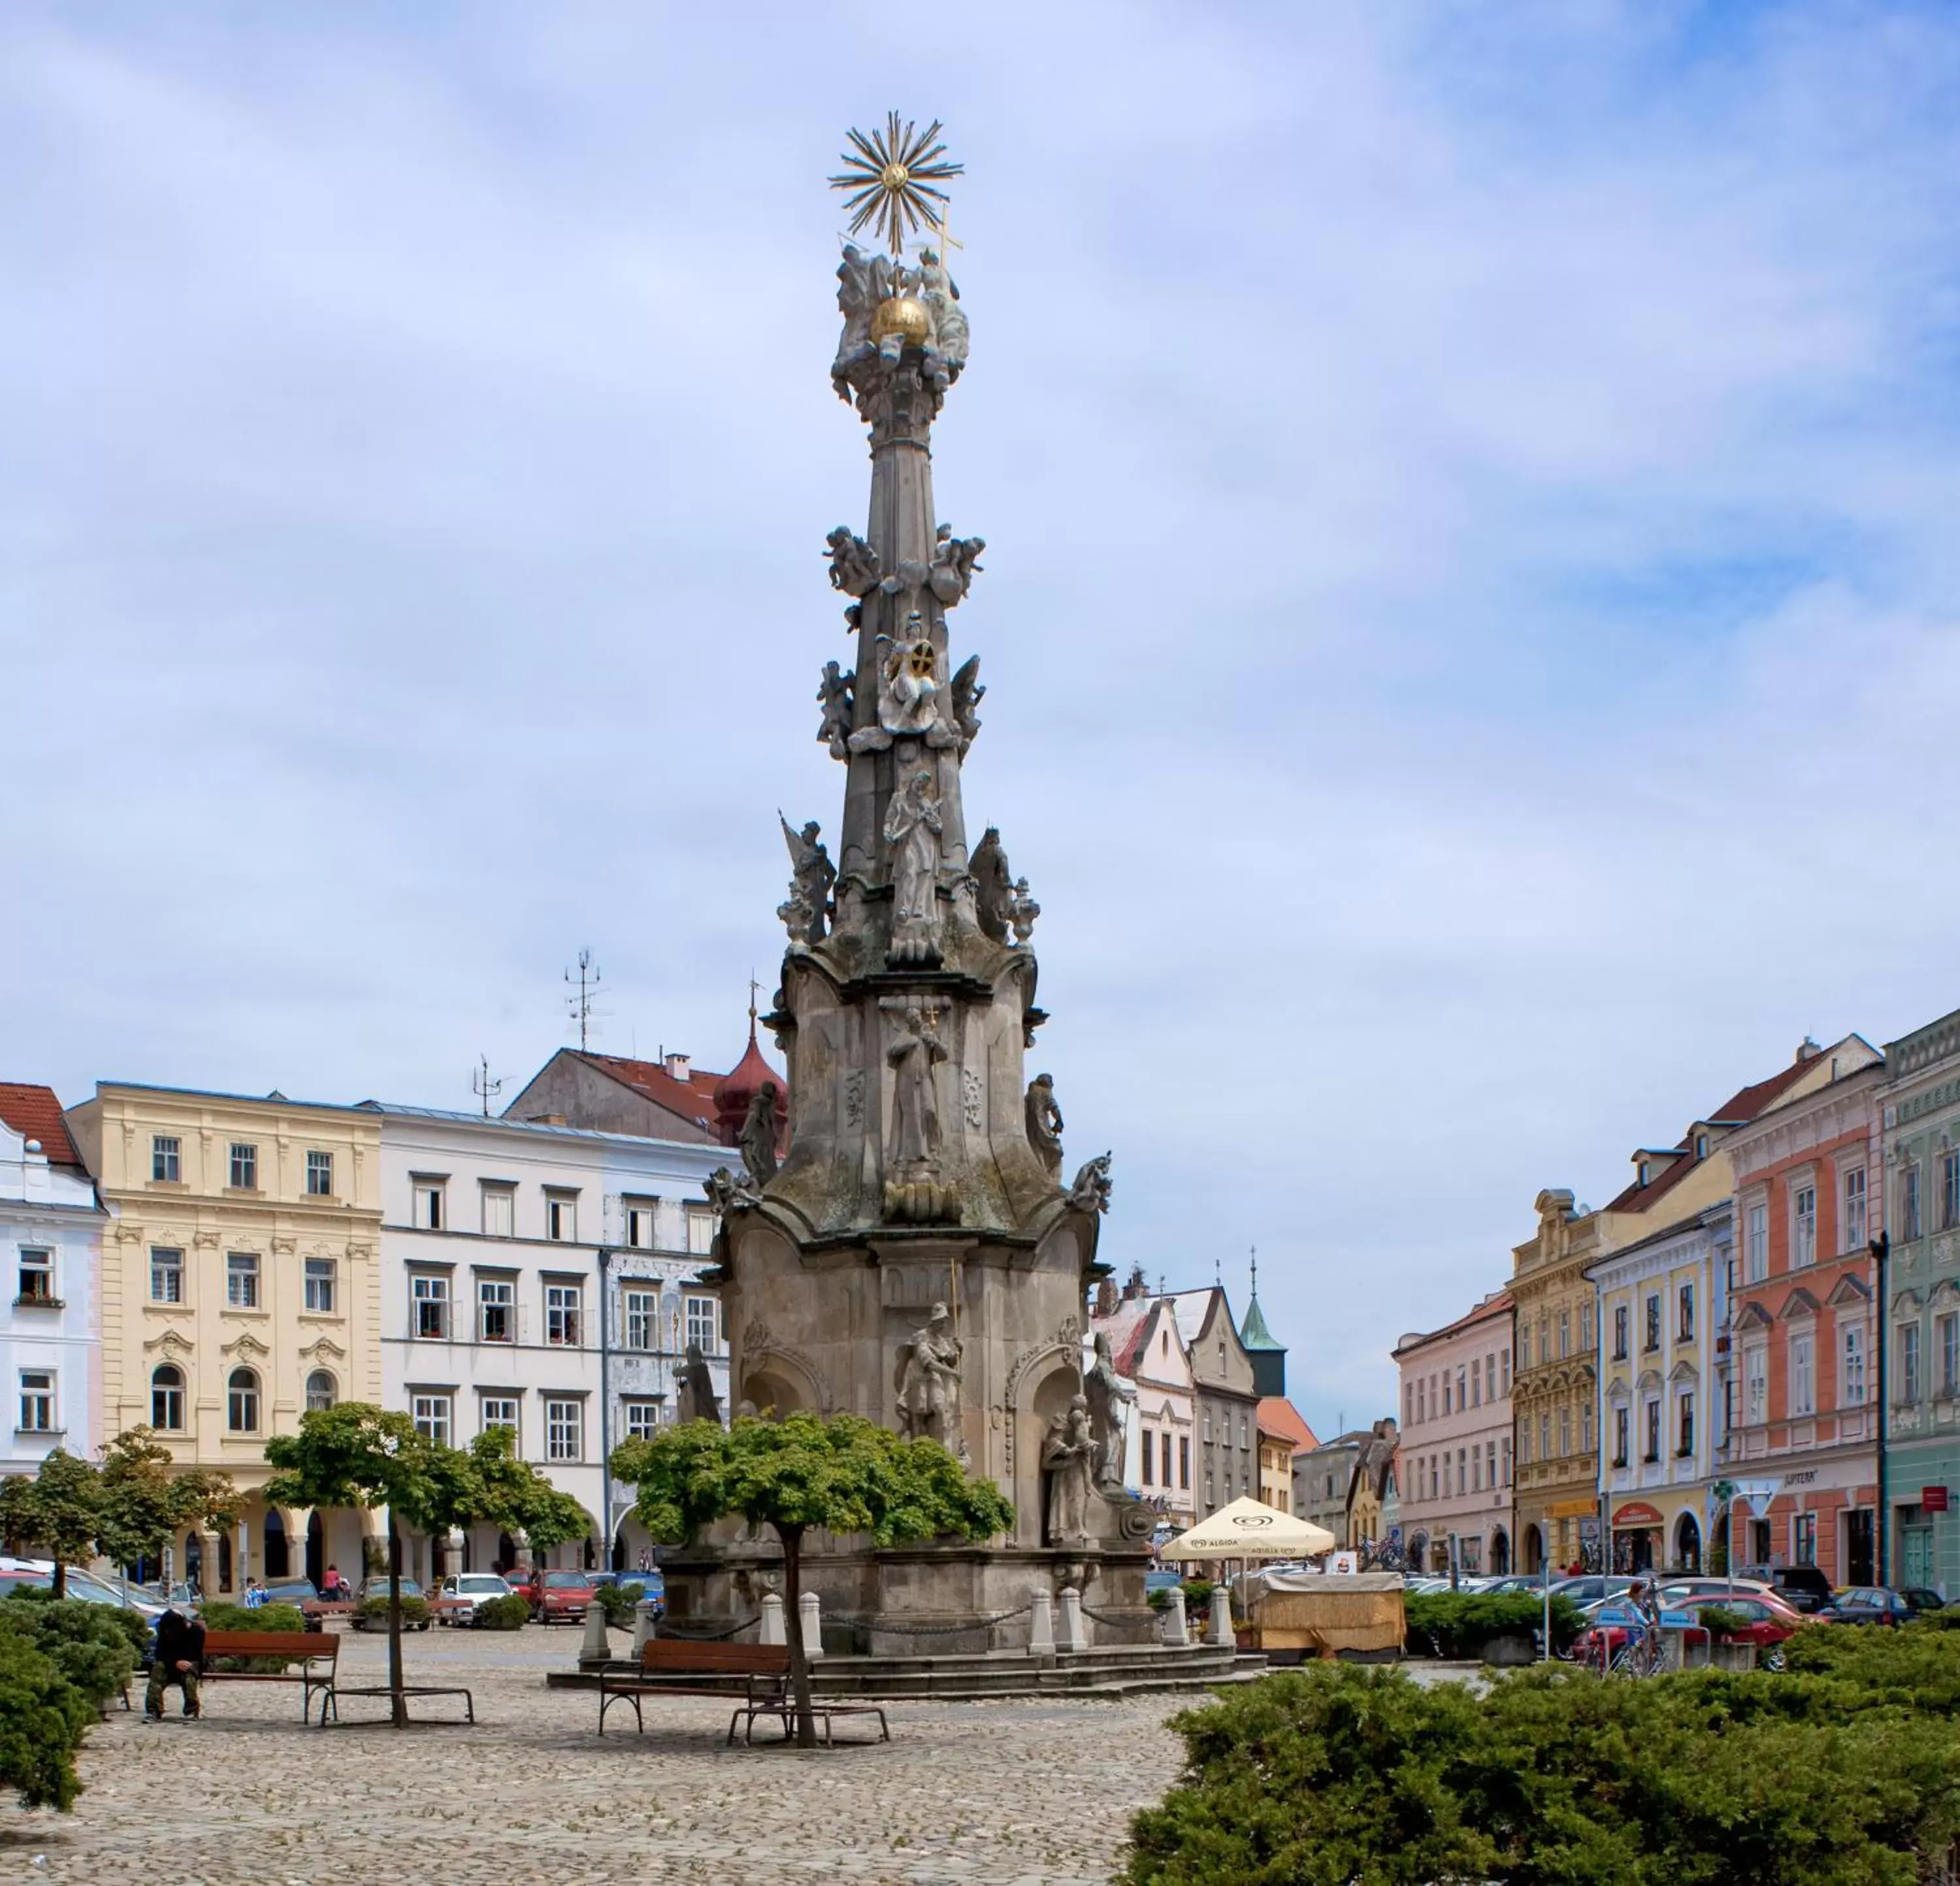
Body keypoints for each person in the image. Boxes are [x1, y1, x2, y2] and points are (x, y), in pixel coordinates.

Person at [146, 1606, 206, 1721]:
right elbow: (161, 1653)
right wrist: (175, 1662)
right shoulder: (165, 1631)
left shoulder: (197, 1631)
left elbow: (195, 1654)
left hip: (190, 1662)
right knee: (158, 1670)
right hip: (171, 1663)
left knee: (189, 1672)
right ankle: (154, 1710)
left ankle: (191, 1710)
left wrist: (180, 1661)